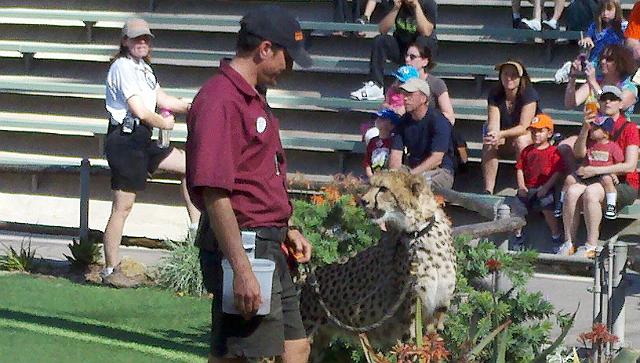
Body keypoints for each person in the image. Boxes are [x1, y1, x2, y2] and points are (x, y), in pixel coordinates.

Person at [186, 5, 313, 362]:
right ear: (265, 49)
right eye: (288, 57)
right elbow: (215, 193)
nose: (289, 69)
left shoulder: (253, 98)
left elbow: (256, 178)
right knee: (239, 357)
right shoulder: (220, 101)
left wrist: (286, 229)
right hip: (244, 245)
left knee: (295, 347)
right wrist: (241, 269)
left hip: (267, 243)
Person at [102, 18, 200, 278]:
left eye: (145, 38)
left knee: (190, 166)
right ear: (125, 41)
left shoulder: (144, 69)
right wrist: (164, 123)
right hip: (125, 141)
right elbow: (140, 110)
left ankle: (196, 233)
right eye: (136, 38)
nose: (141, 42)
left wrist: (194, 106)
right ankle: (111, 269)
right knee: (123, 207)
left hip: (143, 139)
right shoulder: (122, 67)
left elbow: (162, 98)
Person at [557, 85, 639, 257]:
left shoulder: (629, 128)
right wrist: (585, 130)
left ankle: (591, 246)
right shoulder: (595, 126)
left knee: (591, 193)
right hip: (595, 178)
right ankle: (568, 242)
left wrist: (595, 170)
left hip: (622, 182)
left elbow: (630, 166)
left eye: (613, 98)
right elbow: (579, 154)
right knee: (572, 192)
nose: (608, 102)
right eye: (603, 98)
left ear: (620, 103)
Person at [350, 0, 437, 101]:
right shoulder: (394, 3)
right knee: (380, 40)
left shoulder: (428, 4)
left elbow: (426, 31)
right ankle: (376, 85)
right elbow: (382, 29)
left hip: (423, 51)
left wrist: (416, 6)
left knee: (422, 40)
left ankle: (415, 82)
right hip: (402, 48)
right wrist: (395, 9)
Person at [482, 60, 539, 194]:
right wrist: (494, 134)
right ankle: (488, 189)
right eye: (505, 74)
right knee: (489, 141)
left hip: (530, 137)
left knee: (521, 140)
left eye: (513, 75)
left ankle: (524, 187)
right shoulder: (495, 93)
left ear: (521, 78)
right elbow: (493, 122)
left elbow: (524, 126)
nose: (509, 78)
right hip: (507, 137)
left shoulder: (529, 94)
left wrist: (501, 134)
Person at [389, 77, 455, 189]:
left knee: (419, 185)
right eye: (404, 94)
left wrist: (410, 176)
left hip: (440, 172)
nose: (405, 99)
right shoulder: (402, 122)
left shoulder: (439, 121)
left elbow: (437, 159)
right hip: (413, 169)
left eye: (410, 95)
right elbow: (396, 155)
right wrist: (394, 177)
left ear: (423, 98)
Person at [556, 114, 624, 220]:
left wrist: (614, 173)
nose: (591, 129)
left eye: (596, 128)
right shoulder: (588, 144)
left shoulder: (613, 146)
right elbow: (581, 156)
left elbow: (619, 163)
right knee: (569, 178)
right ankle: (561, 202)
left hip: (602, 175)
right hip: (587, 174)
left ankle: (611, 206)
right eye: (592, 126)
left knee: (607, 180)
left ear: (606, 133)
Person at [514, 114, 563, 250]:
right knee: (517, 209)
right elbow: (519, 169)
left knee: (547, 206)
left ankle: (555, 235)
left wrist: (546, 188)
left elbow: (557, 172)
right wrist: (521, 187)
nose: (536, 134)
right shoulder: (527, 151)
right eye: (534, 131)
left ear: (549, 133)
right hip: (528, 188)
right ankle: (518, 237)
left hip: (544, 188)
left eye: (540, 131)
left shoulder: (554, 152)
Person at [555, 0, 627, 84]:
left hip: (614, 59)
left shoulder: (623, 26)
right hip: (597, 58)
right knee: (588, 61)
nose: (605, 13)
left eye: (609, 9)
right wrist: (587, 39)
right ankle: (571, 68)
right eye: (602, 10)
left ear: (617, 10)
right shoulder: (595, 26)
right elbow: (588, 37)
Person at [364, 108, 399, 178]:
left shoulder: (394, 142)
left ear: (392, 125)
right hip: (374, 175)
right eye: (377, 118)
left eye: (383, 119)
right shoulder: (372, 141)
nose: (378, 120)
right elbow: (367, 161)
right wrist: (370, 175)